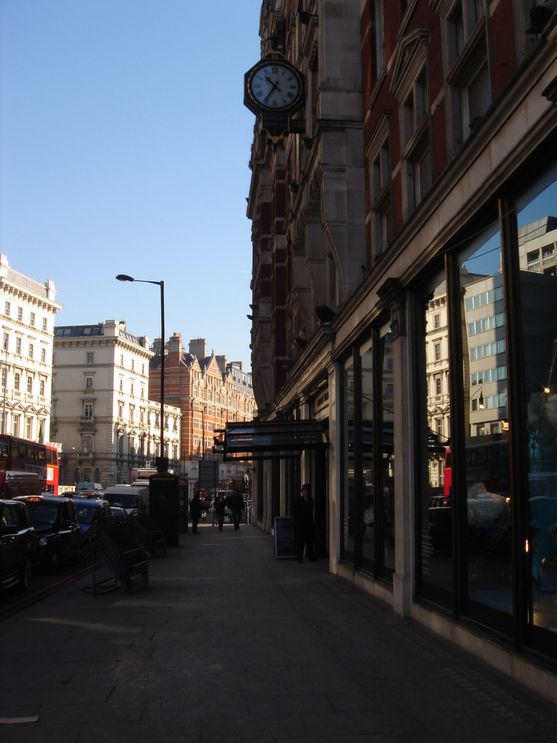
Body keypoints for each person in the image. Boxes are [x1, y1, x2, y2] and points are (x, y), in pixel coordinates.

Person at [293, 483, 314, 562]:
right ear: (302, 492)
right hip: (301, 525)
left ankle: (310, 556)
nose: (306, 492)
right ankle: (299, 557)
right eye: (305, 491)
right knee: (301, 543)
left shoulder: (311, 500)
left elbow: (311, 512)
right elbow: (295, 513)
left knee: (309, 541)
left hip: (309, 524)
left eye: (307, 491)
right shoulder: (299, 501)